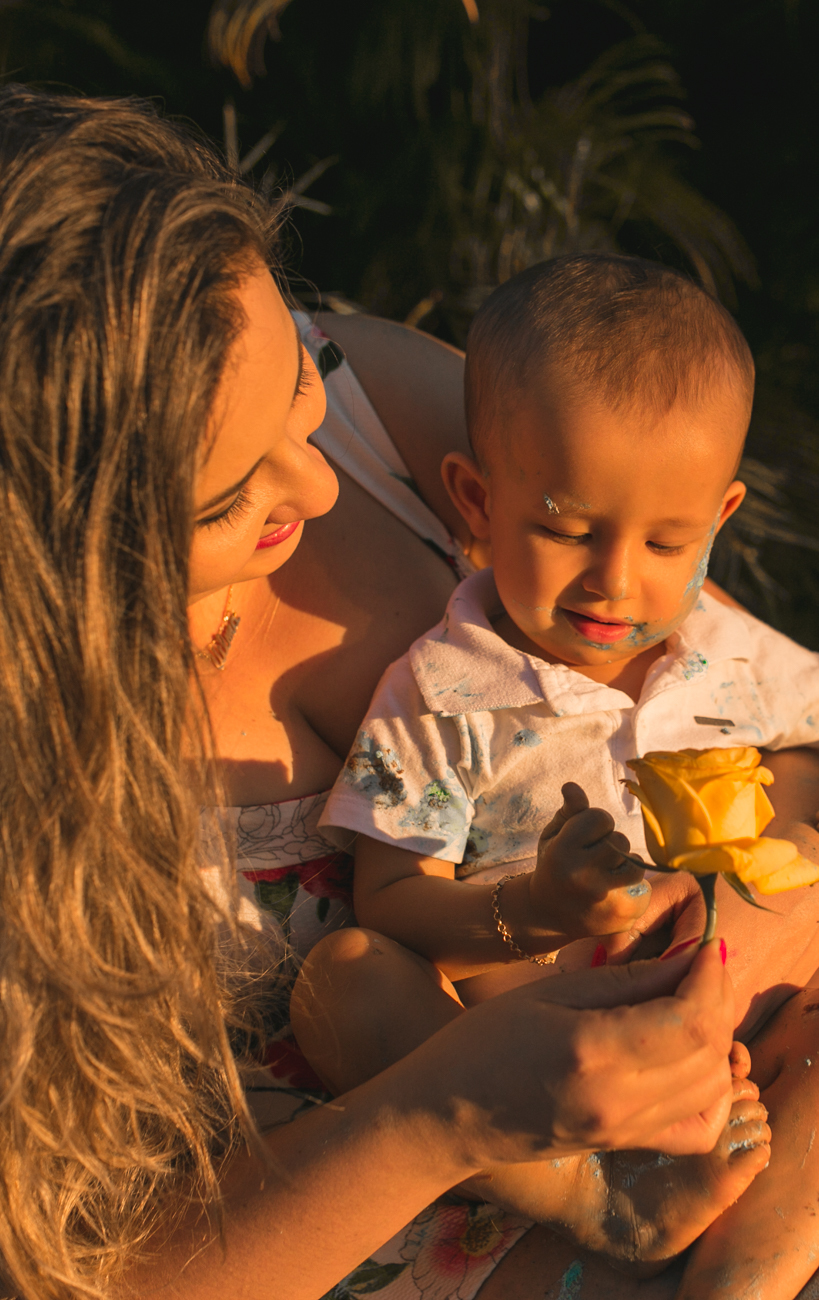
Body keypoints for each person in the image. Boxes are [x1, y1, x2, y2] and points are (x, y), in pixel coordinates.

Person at [0, 82, 742, 1300]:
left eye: (296, 390)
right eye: (225, 499)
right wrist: (444, 1115)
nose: (318, 489)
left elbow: (740, 709)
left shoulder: (377, 413)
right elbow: (65, 1277)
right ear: (33, 549)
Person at [295, 258, 819, 1299]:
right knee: (347, 978)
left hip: (741, 1036)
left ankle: (753, 1259)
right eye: (567, 529)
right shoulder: (448, 689)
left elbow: (805, 757)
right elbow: (386, 895)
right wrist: (532, 906)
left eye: (670, 540)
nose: (616, 581)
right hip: (535, 1072)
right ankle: (594, 1193)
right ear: (477, 500)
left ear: (721, 516)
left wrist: (774, 859)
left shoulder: (732, 656)